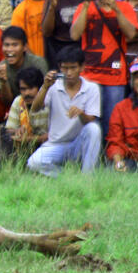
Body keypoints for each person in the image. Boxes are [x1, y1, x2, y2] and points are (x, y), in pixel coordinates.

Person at [70, 0, 137, 137]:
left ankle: (110, 159)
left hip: (115, 75)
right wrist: (85, 6)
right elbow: (75, 35)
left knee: (112, 121)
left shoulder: (125, 7)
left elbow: (130, 33)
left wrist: (115, 9)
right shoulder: (85, 6)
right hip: (90, 74)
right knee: (90, 121)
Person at [26, 46, 102, 177]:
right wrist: (44, 87)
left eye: (73, 68)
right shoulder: (53, 87)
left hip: (79, 144)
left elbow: (90, 120)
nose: (69, 73)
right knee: (33, 163)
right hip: (57, 144)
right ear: (60, 68)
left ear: (82, 68)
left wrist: (80, 113)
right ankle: (68, 177)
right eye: (65, 68)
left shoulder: (91, 88)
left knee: (94, 129)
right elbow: (35, 109)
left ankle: (87, 177)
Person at [0, 25, 48, 106]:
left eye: (14, 45)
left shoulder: (38, 63)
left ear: (25, 47)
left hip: (39, 106)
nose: (9, 49)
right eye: (6, 45)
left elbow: (46, 93)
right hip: (15, 109)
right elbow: (7, 102)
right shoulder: (1, 68)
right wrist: (3, 82)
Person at [3, 67, 48, 155]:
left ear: (39, 88)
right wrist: (17, 131)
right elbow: (9, 130)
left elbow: (55, 136)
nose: (27, 93)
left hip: (47, 145)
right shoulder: (19, 101)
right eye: (23, 89)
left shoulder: (49, 101)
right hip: (25, 146)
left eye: (31, 88)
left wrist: (31, 139)